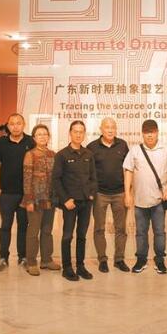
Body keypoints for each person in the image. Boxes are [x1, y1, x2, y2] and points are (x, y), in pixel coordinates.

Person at [123, 120, 167, 274]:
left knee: (159, 232)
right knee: (141, 233)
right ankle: (141, 259)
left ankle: (160, 260)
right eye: (146, 132)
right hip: (139, 200)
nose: (149, 135)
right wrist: (127, 193)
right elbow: (128, 171)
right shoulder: (135, 150)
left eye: (152, 132)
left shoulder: (166, 149)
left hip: (159, 201)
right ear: (142, 134)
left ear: (157, 133)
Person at [52, 120, 98, 281]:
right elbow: (56, 180)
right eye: (75, 131)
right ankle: (67, 268)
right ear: (70, 133)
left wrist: (91, 194)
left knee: (82, 235)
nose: (78, 134)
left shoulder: (88, 154)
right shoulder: (62, 155)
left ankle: (80, 266)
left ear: (84, 134)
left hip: (86, 202)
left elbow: (93, 177)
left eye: (81, 132)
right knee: (67, 236)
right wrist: (65, 200)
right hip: (70, 203)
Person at [87, 118, 130, 273]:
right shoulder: (92, 147)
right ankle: (102, 259)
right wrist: (90, 192)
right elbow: (88, 171)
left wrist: (128, 192)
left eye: (113, 127)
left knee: (121, 229)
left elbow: (128, 169)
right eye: (107, 127)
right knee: (99, 228)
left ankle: (119, 259)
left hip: (120, 193)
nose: (110, 130)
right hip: (100, 194)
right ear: (101, 129)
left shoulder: (123, 145)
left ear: (116, 129)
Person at [0, 113, 35, 271]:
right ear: (8, 126)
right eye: (12, 124)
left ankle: (22, 256)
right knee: (5, 225)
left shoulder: (30, 142)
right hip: (7, 193)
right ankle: (3, 257)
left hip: (25, 193)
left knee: (23, 226)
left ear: (24, 125)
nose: (15, 126)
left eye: (18, 123)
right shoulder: (1, 143)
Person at [22, 124, 60, 276]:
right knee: (33, 232)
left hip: (49, 199)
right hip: (35, 200)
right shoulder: (30, 154)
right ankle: (31, 262)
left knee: (47, 230)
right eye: (39, 134)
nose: (42, 137)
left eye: (45, 134)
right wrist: (29, 200)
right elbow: (27, 179)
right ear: (34, 138)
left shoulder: (53, 154)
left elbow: (56, 178)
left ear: (48, 137)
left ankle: (46, 260)